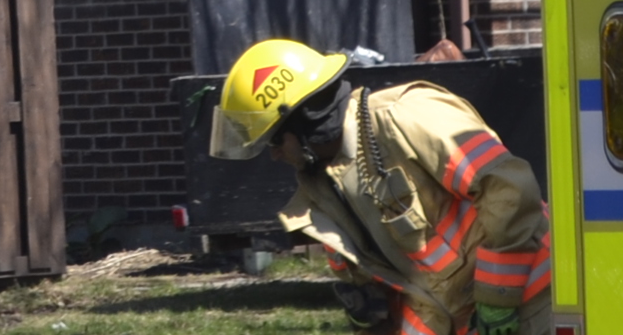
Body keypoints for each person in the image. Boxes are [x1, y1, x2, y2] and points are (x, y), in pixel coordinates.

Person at [206, 37, 551, 335]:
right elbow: (406, 290)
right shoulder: (322, 191)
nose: (275, 156)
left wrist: (496, 299)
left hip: (538, 295)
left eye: (274, 141)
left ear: (305, 119)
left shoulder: (406, 115)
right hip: (473, 319)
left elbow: (509, 190)